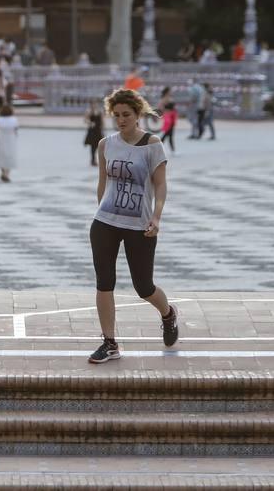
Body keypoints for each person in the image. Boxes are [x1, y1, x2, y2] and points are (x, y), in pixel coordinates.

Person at [88, 88, 177, 364]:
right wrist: (101, 207)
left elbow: (160, 185)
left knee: (144, 286)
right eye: (116, 115)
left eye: (126, 115)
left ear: (138, 114)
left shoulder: (152, 144)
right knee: (104, 283)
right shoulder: (106, 144)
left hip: (139, 224)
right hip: (105, 222)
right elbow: (102, 184)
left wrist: (157, 216)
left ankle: (168, 314)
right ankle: (109, 342)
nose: (121, 120)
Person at [0, 103, 18, 182]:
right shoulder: (14, 119)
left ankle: (3, 172)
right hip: (10, 139)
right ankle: (6, 174)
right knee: (10, 157)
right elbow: (15, 129)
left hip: (1, 139)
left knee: (1, 157)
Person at [158, 86, 178, 154]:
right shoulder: (164, 99)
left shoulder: (170, 98)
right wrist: (167, 111)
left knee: (169, 134)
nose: (171, 92)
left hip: (172, 116)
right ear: (167, 91)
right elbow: (160, 107)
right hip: (168, 117)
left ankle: (171, 149)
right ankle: (171, 149)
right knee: (168, 134)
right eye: (170, 91)